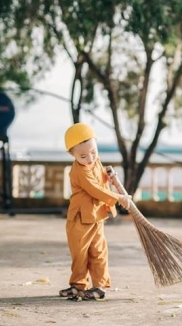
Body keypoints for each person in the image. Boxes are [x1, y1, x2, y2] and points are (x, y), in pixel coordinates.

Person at [58, 122, 132, 300]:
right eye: (83, 156)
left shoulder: (95, 162)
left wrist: (109, 177)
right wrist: (118, 198)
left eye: (94, 152)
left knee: (98, 251)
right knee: (80, 252)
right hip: (80, 219)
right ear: (72, 154)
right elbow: (94, 189)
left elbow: (100, 177)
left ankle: (99, 286)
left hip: (97, 215)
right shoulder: (80, 171)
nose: (90, 159)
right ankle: (78, 284)